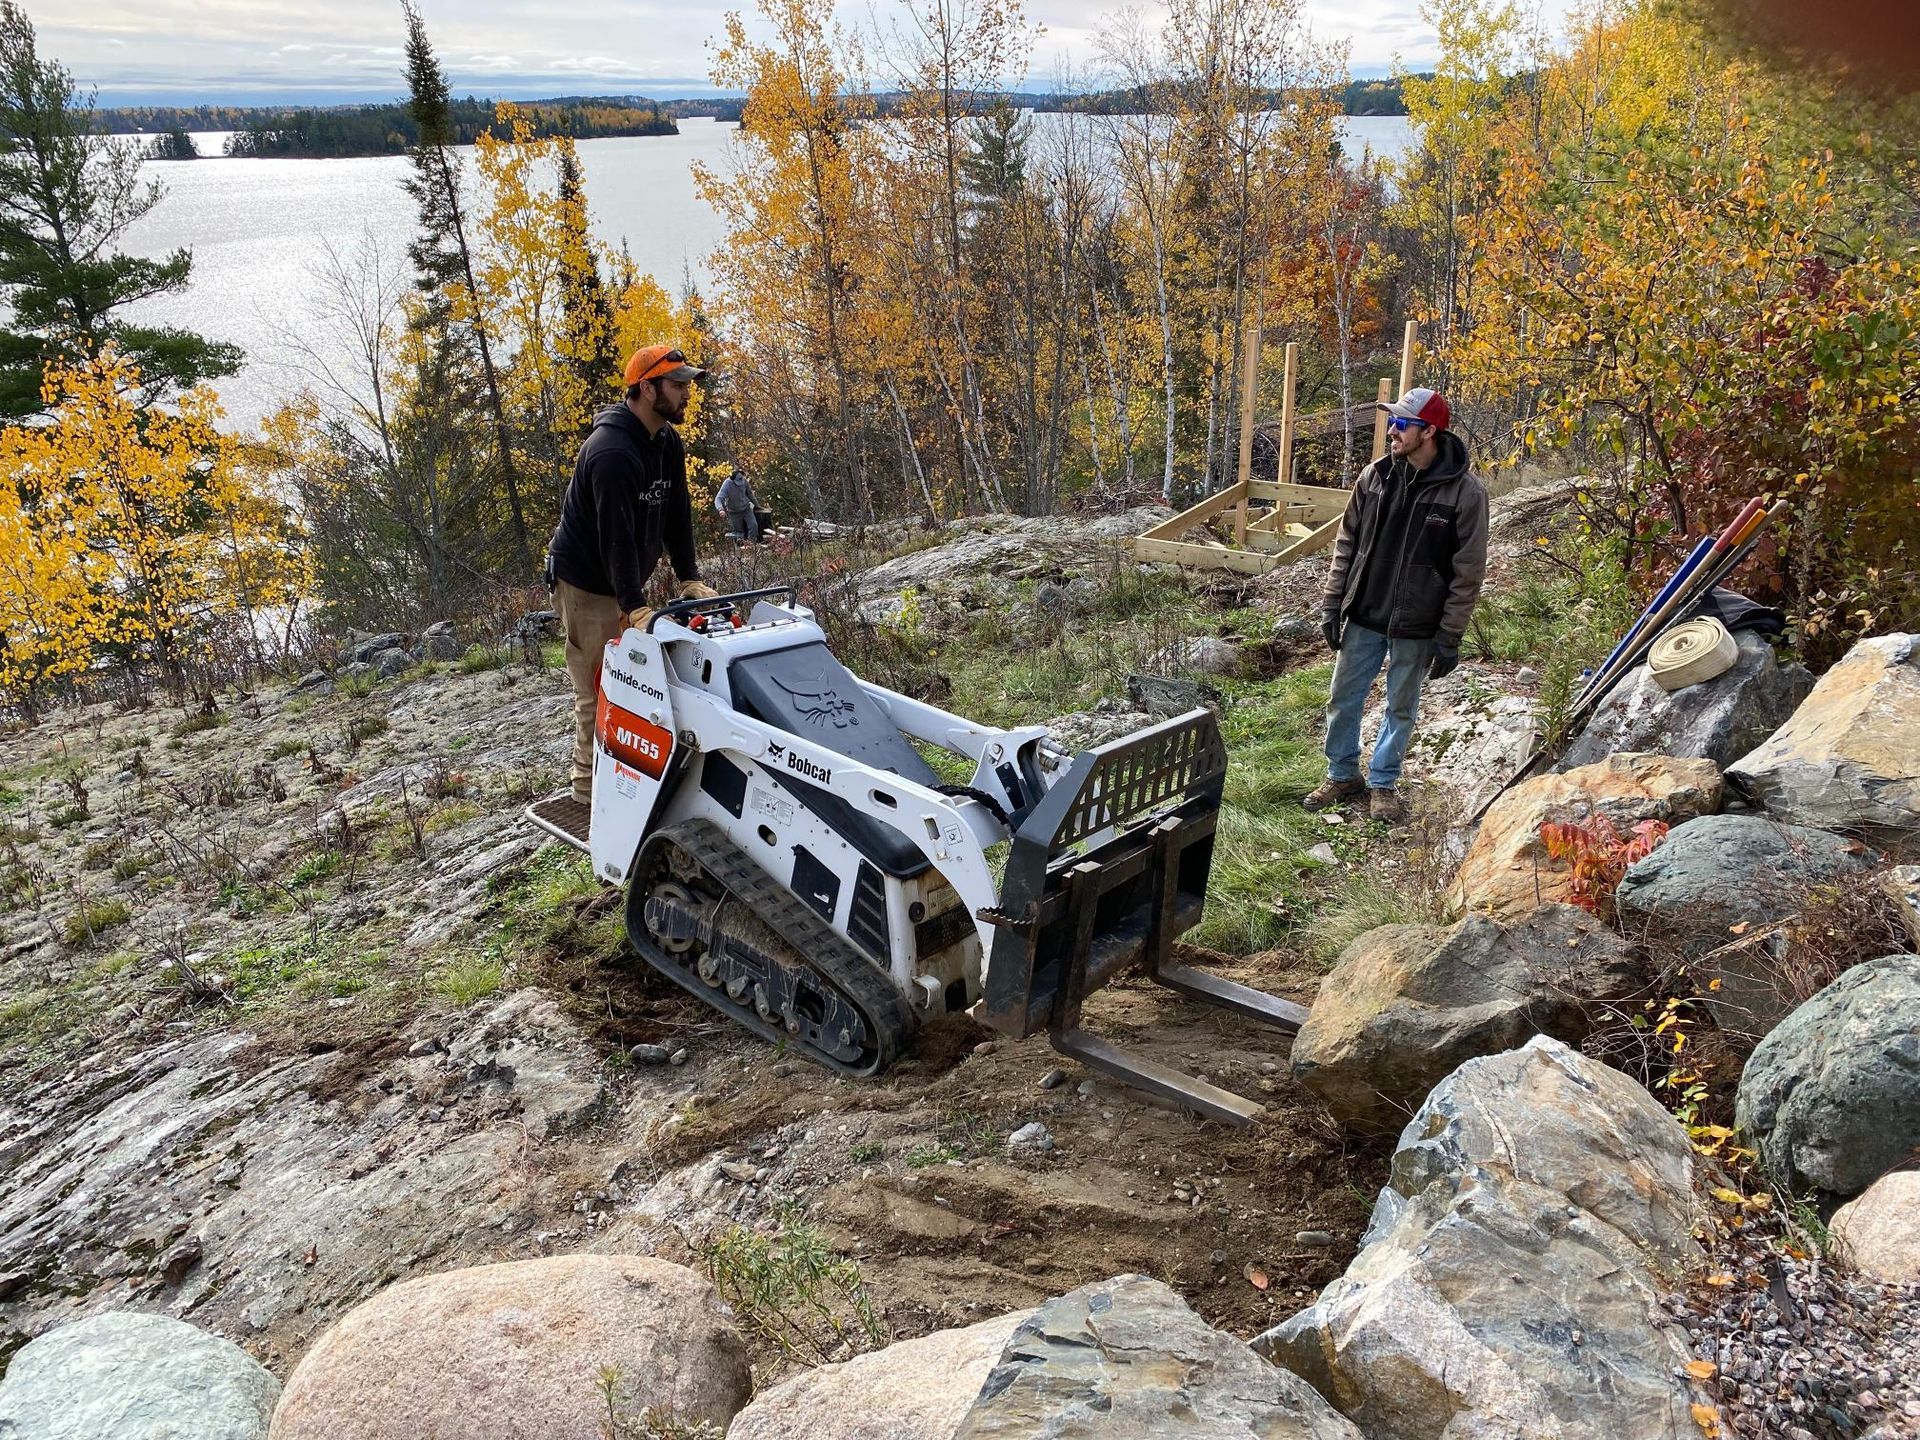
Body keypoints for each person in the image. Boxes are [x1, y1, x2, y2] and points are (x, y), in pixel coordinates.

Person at [1305, 386, 1488, 827]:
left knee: (1401, 708)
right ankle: (1342, 775)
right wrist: (1332, 604)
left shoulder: (1465, 494)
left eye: (1402, 423)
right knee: (1342, 698)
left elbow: (1468, 570)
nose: (1393, 430)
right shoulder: (1375, 477)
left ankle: (1383, 784)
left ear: (1429, 431)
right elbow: (1346, 544)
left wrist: (1450, 634)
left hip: (1419, 624)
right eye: (1393, 422)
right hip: (1365, 613)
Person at [547, 344, 721, 805]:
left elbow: (676, 512)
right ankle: (587, 795)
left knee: (641, 683)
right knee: (599, 685)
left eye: (687, 384)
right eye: (677, 384)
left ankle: (637, 783)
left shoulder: (665, 440)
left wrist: (688, 576)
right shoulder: (611, 453)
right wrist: (633, 604)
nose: (687, 393)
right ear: (647, 387)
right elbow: (614, 536)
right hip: (585, 584)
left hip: (622, 580)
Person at [714, 467, 762, 544]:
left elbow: (750, 495)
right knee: (739, 532)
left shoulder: (744, 481)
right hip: (734, 512)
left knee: (754, 526)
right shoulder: (727, 484)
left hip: (746, 509)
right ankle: (742, 549)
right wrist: (721, 509)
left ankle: (750, 545)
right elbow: (718, 499)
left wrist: (757, 505)